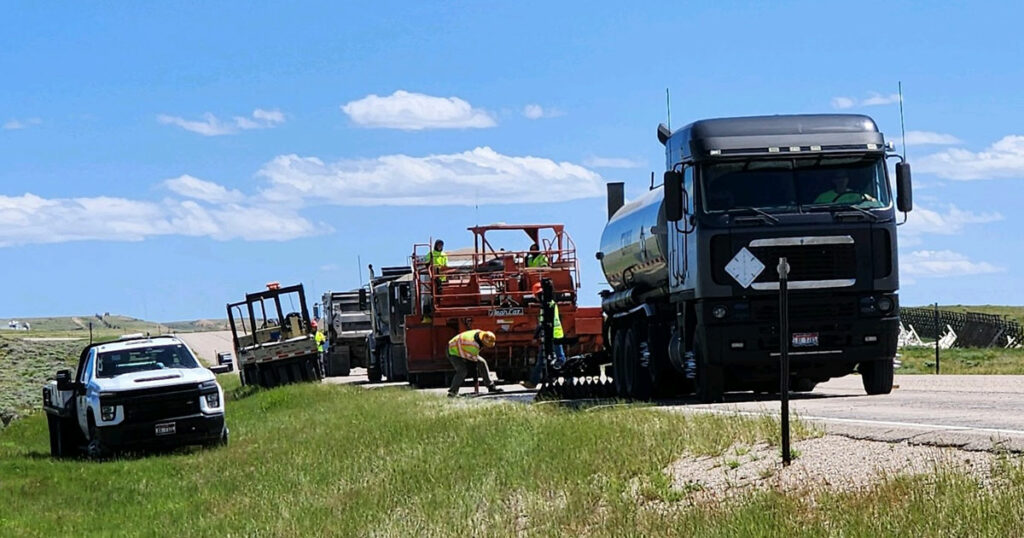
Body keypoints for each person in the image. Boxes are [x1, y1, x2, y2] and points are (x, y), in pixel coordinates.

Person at [521, 282, 566, 389]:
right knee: (541, 359)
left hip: (554, 335)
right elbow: (542, 322)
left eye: (537, 295)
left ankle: (569, 380)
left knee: (560, 359)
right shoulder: (545, 305)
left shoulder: (549, 304)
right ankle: (533, 382)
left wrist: (536, 334)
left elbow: (545, 322)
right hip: (547, 336)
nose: (536, 298)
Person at [447, 329, 504, 397]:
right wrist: (476, 386)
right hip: (453, 351)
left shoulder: (481, 333)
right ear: (483, 342)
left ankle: (490, 386)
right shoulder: (473, 346)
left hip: (462, 347)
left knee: (482, 362)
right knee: (462, 370)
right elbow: (473, 367)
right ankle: (452, 392)